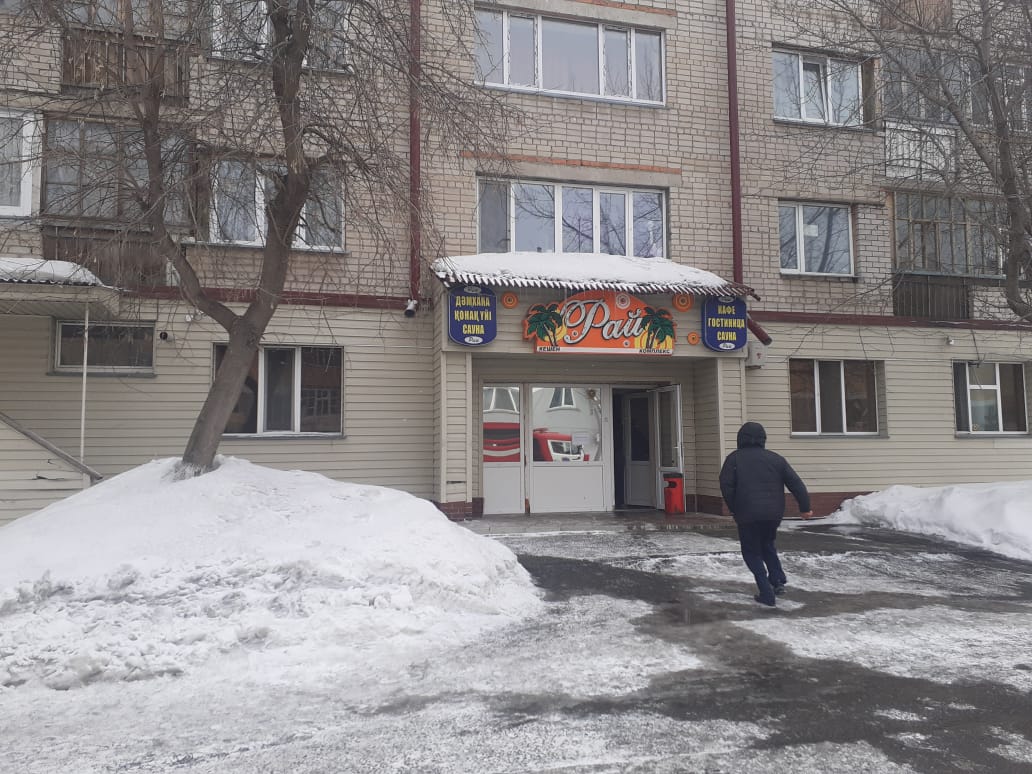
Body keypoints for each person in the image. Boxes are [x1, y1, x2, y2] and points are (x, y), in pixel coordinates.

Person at [719, 421, 814, 607]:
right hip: (773, 514)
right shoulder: (776, 459)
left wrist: (734, 507)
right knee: (767, 544)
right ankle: (777, 581)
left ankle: (766, 592)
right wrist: (805, 508)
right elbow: (796, 483)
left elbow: (726, 486)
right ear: (763, 439)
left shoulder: (734, 459)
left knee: (751, 551)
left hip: (747, 514)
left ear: (741, 438)